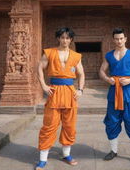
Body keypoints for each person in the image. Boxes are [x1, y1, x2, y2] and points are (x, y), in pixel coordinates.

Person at [36, 27, 85, 170]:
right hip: (54, 91)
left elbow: (81, 74)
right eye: (62, 37)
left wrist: (80, 90)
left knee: (69, 125)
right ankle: (43, 159)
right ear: (58, 38)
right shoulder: (49, 52)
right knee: (49, 125)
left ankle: (66, 154)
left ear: (71, 40)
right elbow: (39, 68)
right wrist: (44, 86)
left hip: (70, 92)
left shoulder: (76, 56)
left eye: (67, 38)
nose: (65, 40)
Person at [99, 27, 130, 169]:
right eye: (116, 38)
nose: (119, 41)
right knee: (112, 121)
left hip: (128, 91)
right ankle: (113, 151)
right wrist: (108, 79)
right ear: (113, 40)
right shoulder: (109, 55)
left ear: (125, 39)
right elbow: (101, 71)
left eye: (121, 38)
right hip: (114, 91)